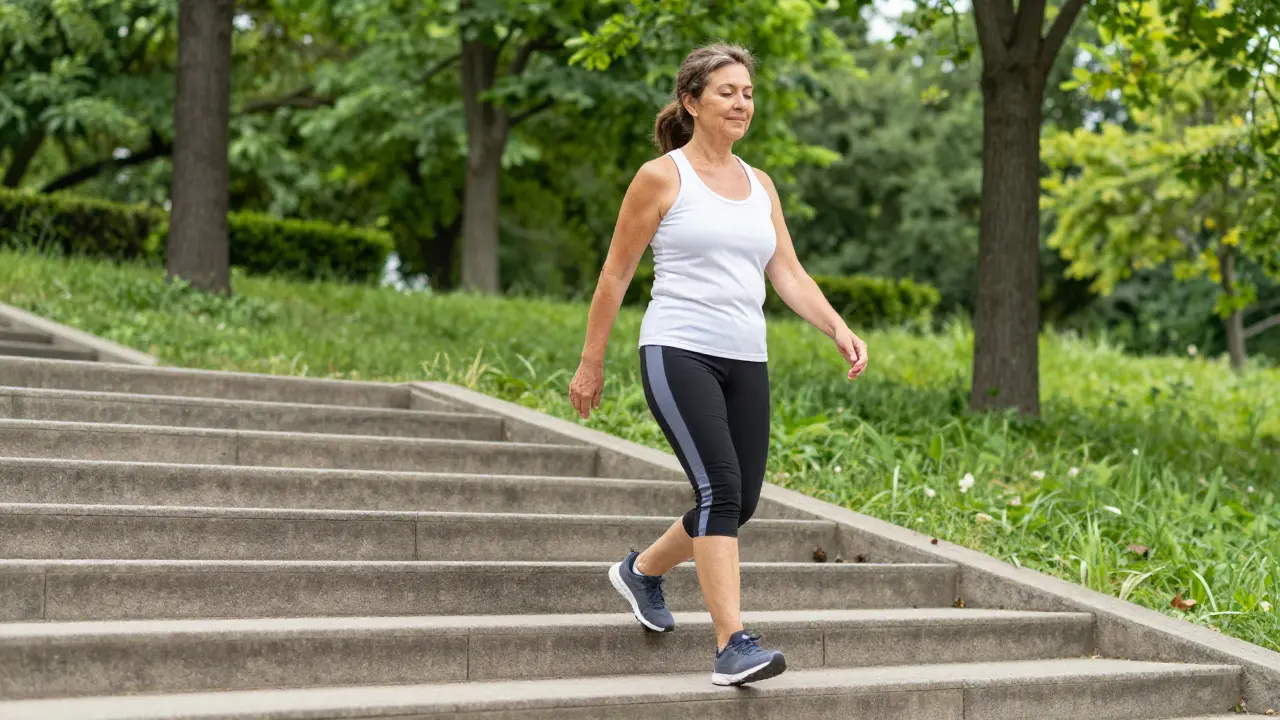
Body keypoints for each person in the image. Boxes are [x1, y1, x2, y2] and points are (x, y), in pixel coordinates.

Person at [568, 43, 869, 687]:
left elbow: (785, 269)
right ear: (691, 102)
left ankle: (642, 572)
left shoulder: (760, 185)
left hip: (746, 356)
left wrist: (836, 326)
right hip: (678, 349)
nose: (741, 103)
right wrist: (590, 363)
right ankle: (732, 644)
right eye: (727, 91)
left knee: (742, 500)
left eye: (749, 93)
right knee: (720, 491)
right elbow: (616, 272)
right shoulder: (662, 176)